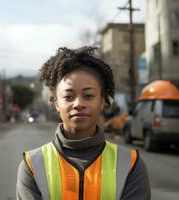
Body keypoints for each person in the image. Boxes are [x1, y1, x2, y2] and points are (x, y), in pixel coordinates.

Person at [16, 46, 150, 200]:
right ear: (56, 103)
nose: (78, 103)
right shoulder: (31, 166)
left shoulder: (131, 165)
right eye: (68, 97)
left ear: (102, 101)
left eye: (88, 95)